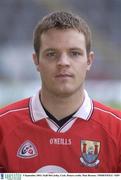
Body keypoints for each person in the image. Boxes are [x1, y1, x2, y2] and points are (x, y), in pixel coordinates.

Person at [0, 11, 121, 173]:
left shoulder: (117, 129)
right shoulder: (3, 126)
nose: (63, 62)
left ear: (89, 61)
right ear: (36, 61)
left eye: (74, 53)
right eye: (51, 54)